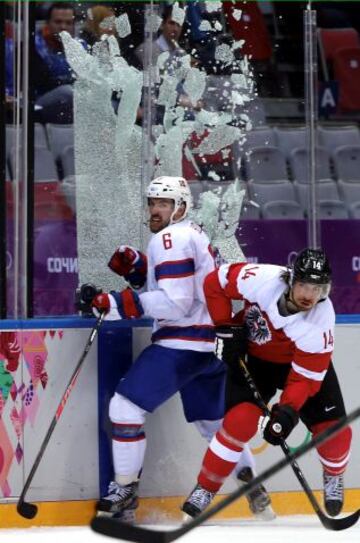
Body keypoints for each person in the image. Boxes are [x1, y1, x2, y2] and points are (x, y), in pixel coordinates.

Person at [91, 176, 274, 521]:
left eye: (164, 203)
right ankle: (253, 485)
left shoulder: (170, 238)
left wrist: (114, 303)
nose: (155, 209)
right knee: (213, 425)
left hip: (182, 345)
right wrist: (139, 270)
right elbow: (183, 288)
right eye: (152, 202)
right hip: (210, 349)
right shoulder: (194, 234)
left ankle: (125, 491)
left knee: (125, 408)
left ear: (181, 206)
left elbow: (175, 303)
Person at [182, 248, 352, 519]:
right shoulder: (261, 279)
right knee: (238, 423)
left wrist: (286, 413)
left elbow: (305, 378)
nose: (309, 295)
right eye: (304, 285)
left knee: (335, 433)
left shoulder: (321, 320)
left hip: (299, 367)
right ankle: (205, 487)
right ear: (291, 280)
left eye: (317, 289)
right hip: (256, 361)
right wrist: (225, 327)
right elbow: (214, 283)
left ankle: (333, 475)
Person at [34, 2, 87, 123]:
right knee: (67, 92)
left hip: (74, 102)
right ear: (48, 23)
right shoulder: (33, 47)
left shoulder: (81, 47)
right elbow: (43, 83)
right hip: (41, 102)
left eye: (68, 23)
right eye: (58, 22)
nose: (63, 26)